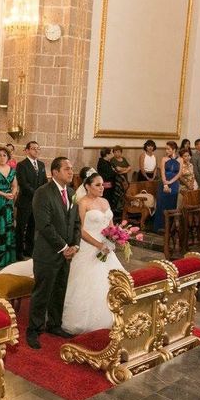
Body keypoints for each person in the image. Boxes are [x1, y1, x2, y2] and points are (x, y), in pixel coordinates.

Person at [27, 157, 81, 349]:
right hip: (48, 252)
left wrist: (75, 245)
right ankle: (33, 330)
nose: (71, 172)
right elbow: (44, 225)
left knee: (60, 290)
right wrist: (64, 247)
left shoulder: (72, 193)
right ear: (55, 172)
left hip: (67, 252)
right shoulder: (43, 193)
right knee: (42, 292)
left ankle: (54, 325)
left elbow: (75, 222)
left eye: (71, 169)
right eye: (67, 169)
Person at [62, 170, 124, 335]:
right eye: (97, 185)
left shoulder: (105, 201)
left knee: (112, 280)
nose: (101, 188)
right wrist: (98, 244)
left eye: (102, 185)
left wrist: (114, 239)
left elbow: (110, 225)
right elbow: (80, 230)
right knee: (87, 282)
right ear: (87, 186)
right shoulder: (82, 203)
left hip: (106, 246)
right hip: (89, 245)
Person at [15, 141, 47, 260]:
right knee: (21, 227)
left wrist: (44, 193)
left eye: (38, 148)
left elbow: (44, 182)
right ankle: (18, 252)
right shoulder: (22, 165)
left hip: (37, 203)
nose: (36, 151)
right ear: (27, 150)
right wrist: (37, 194)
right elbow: (23, 183)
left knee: (32, 227)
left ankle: (29, 250)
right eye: (34, 148)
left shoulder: (41, 165)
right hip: (25, 201)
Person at [152, 141, 182, 232]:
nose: (166, 150)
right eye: (166, 148)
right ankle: (159, 227)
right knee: (162, 205)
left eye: (168, 149)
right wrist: (165, 184)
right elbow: (162, 172)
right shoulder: (164, 159)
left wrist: (171, 182)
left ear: (174, 149)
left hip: (174, 184)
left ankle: (169, 228)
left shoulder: (180, 159)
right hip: (163, 184)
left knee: (171, 205)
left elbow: (179, 173)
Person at [110, 145, 131, 215]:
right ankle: (117, 210)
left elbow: (130, 167)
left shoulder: (124, 159)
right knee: (118, 194)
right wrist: (125, 169)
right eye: (115, 152)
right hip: (118, 180)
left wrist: (123, 170)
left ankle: (123, 209)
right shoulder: (112, 159)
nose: (117, 153)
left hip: (125, 179)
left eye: (118, 152)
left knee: (124, 194)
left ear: (121, 152)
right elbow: (117, 169)